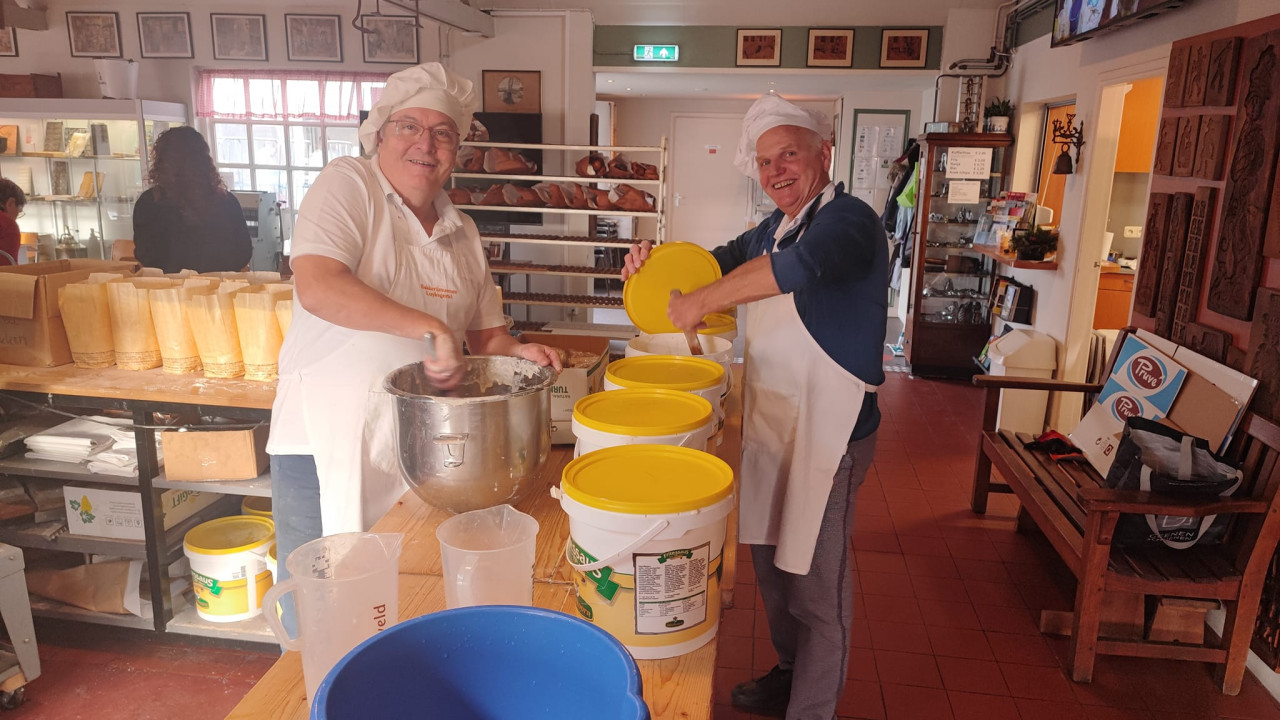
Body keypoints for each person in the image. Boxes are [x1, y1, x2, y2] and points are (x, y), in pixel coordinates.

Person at [266, 62, 562, 631]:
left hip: (422, 453)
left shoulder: (462, 231)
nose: (425, 144)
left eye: (443, 132)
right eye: (409, 127)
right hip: (325, 443)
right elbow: (319, 284)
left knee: (400, 606)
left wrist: (517, 352)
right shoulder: (349, 184)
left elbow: (488, 336)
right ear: (380, 133)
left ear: (458, 149)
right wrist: (429, 327)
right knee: (319, 614)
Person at [623, 94, 888, 720]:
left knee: (817, 587)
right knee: (772, 566)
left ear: (823, 153)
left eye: (789, 155)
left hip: (834, 430)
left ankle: (811, 709)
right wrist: (649, 266)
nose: (776, 172)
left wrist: (702, 300)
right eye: (766, 162)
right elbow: (709, 265)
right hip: (775, 422)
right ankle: (791, 674)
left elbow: (801, 268)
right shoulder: (771, 228)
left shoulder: (849, 220)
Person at [132, 126, 252, 273]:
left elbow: (144, 255)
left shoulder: (148, 203)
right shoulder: (226, 201)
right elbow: (243, 254)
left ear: (161, 161)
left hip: (166, 291)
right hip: (218, 290)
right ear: (205, 160)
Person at [0, 178, 25, 266]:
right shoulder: (8, 225)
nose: (16, 218)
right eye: (18, 211)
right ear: (11, 203)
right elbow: (10, 272)